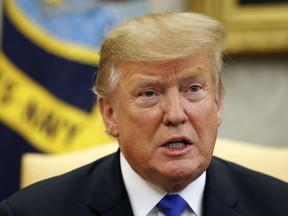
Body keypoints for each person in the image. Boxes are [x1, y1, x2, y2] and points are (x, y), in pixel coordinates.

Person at [0, 12, 287, 216]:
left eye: (193, 89)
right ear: (110, 114)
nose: (175, 115)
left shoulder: (278, 205)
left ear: (218, 103)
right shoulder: (32, 211)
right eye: (150, 93)